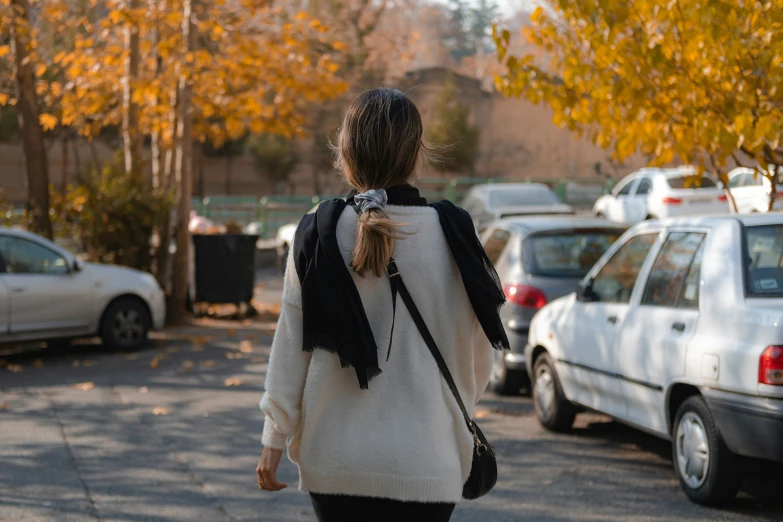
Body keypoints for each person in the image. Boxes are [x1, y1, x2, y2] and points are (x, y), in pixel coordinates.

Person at [256, 88, 509, 522]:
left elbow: (291, 347)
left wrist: (273, 439)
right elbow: (478, 357)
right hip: (429, 463)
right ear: (416, 153)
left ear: (347, 152)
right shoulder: (455, 234)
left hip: (335, 462)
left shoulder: (320, 230)